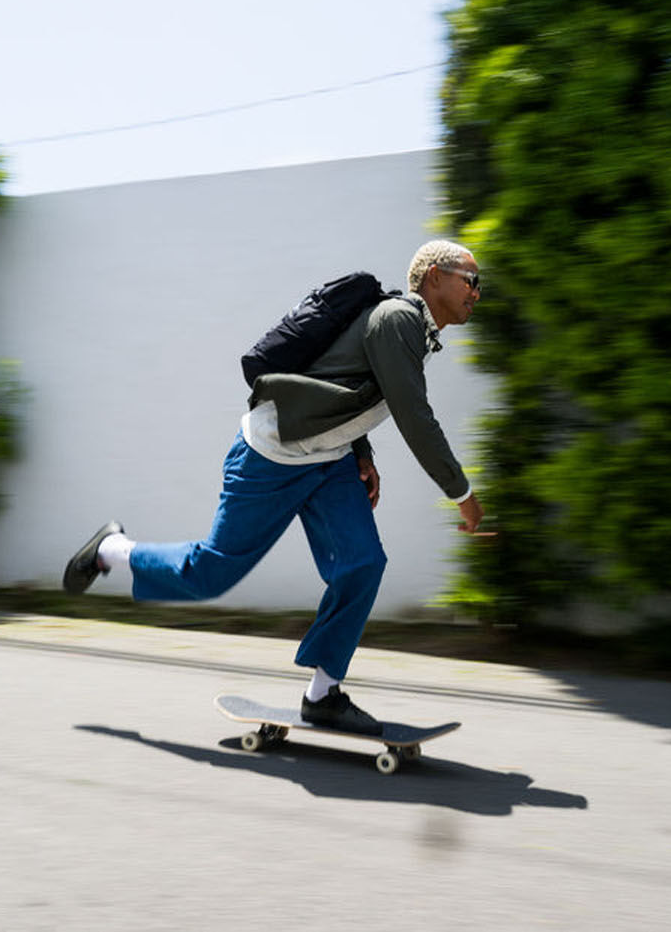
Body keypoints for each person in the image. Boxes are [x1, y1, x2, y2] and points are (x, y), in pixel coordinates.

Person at [62, 239, 486, 735]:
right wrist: (461, 494)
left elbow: (346, 383)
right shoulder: (398, 319)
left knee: (362, 564)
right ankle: (111, 549)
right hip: (273, 453)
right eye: (471, 280)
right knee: (210, 574)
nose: (477, 292)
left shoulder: (411, 328)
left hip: (328, 461)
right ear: (435, 276)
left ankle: (323, 694)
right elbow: (414, 414)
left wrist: (361, 453)